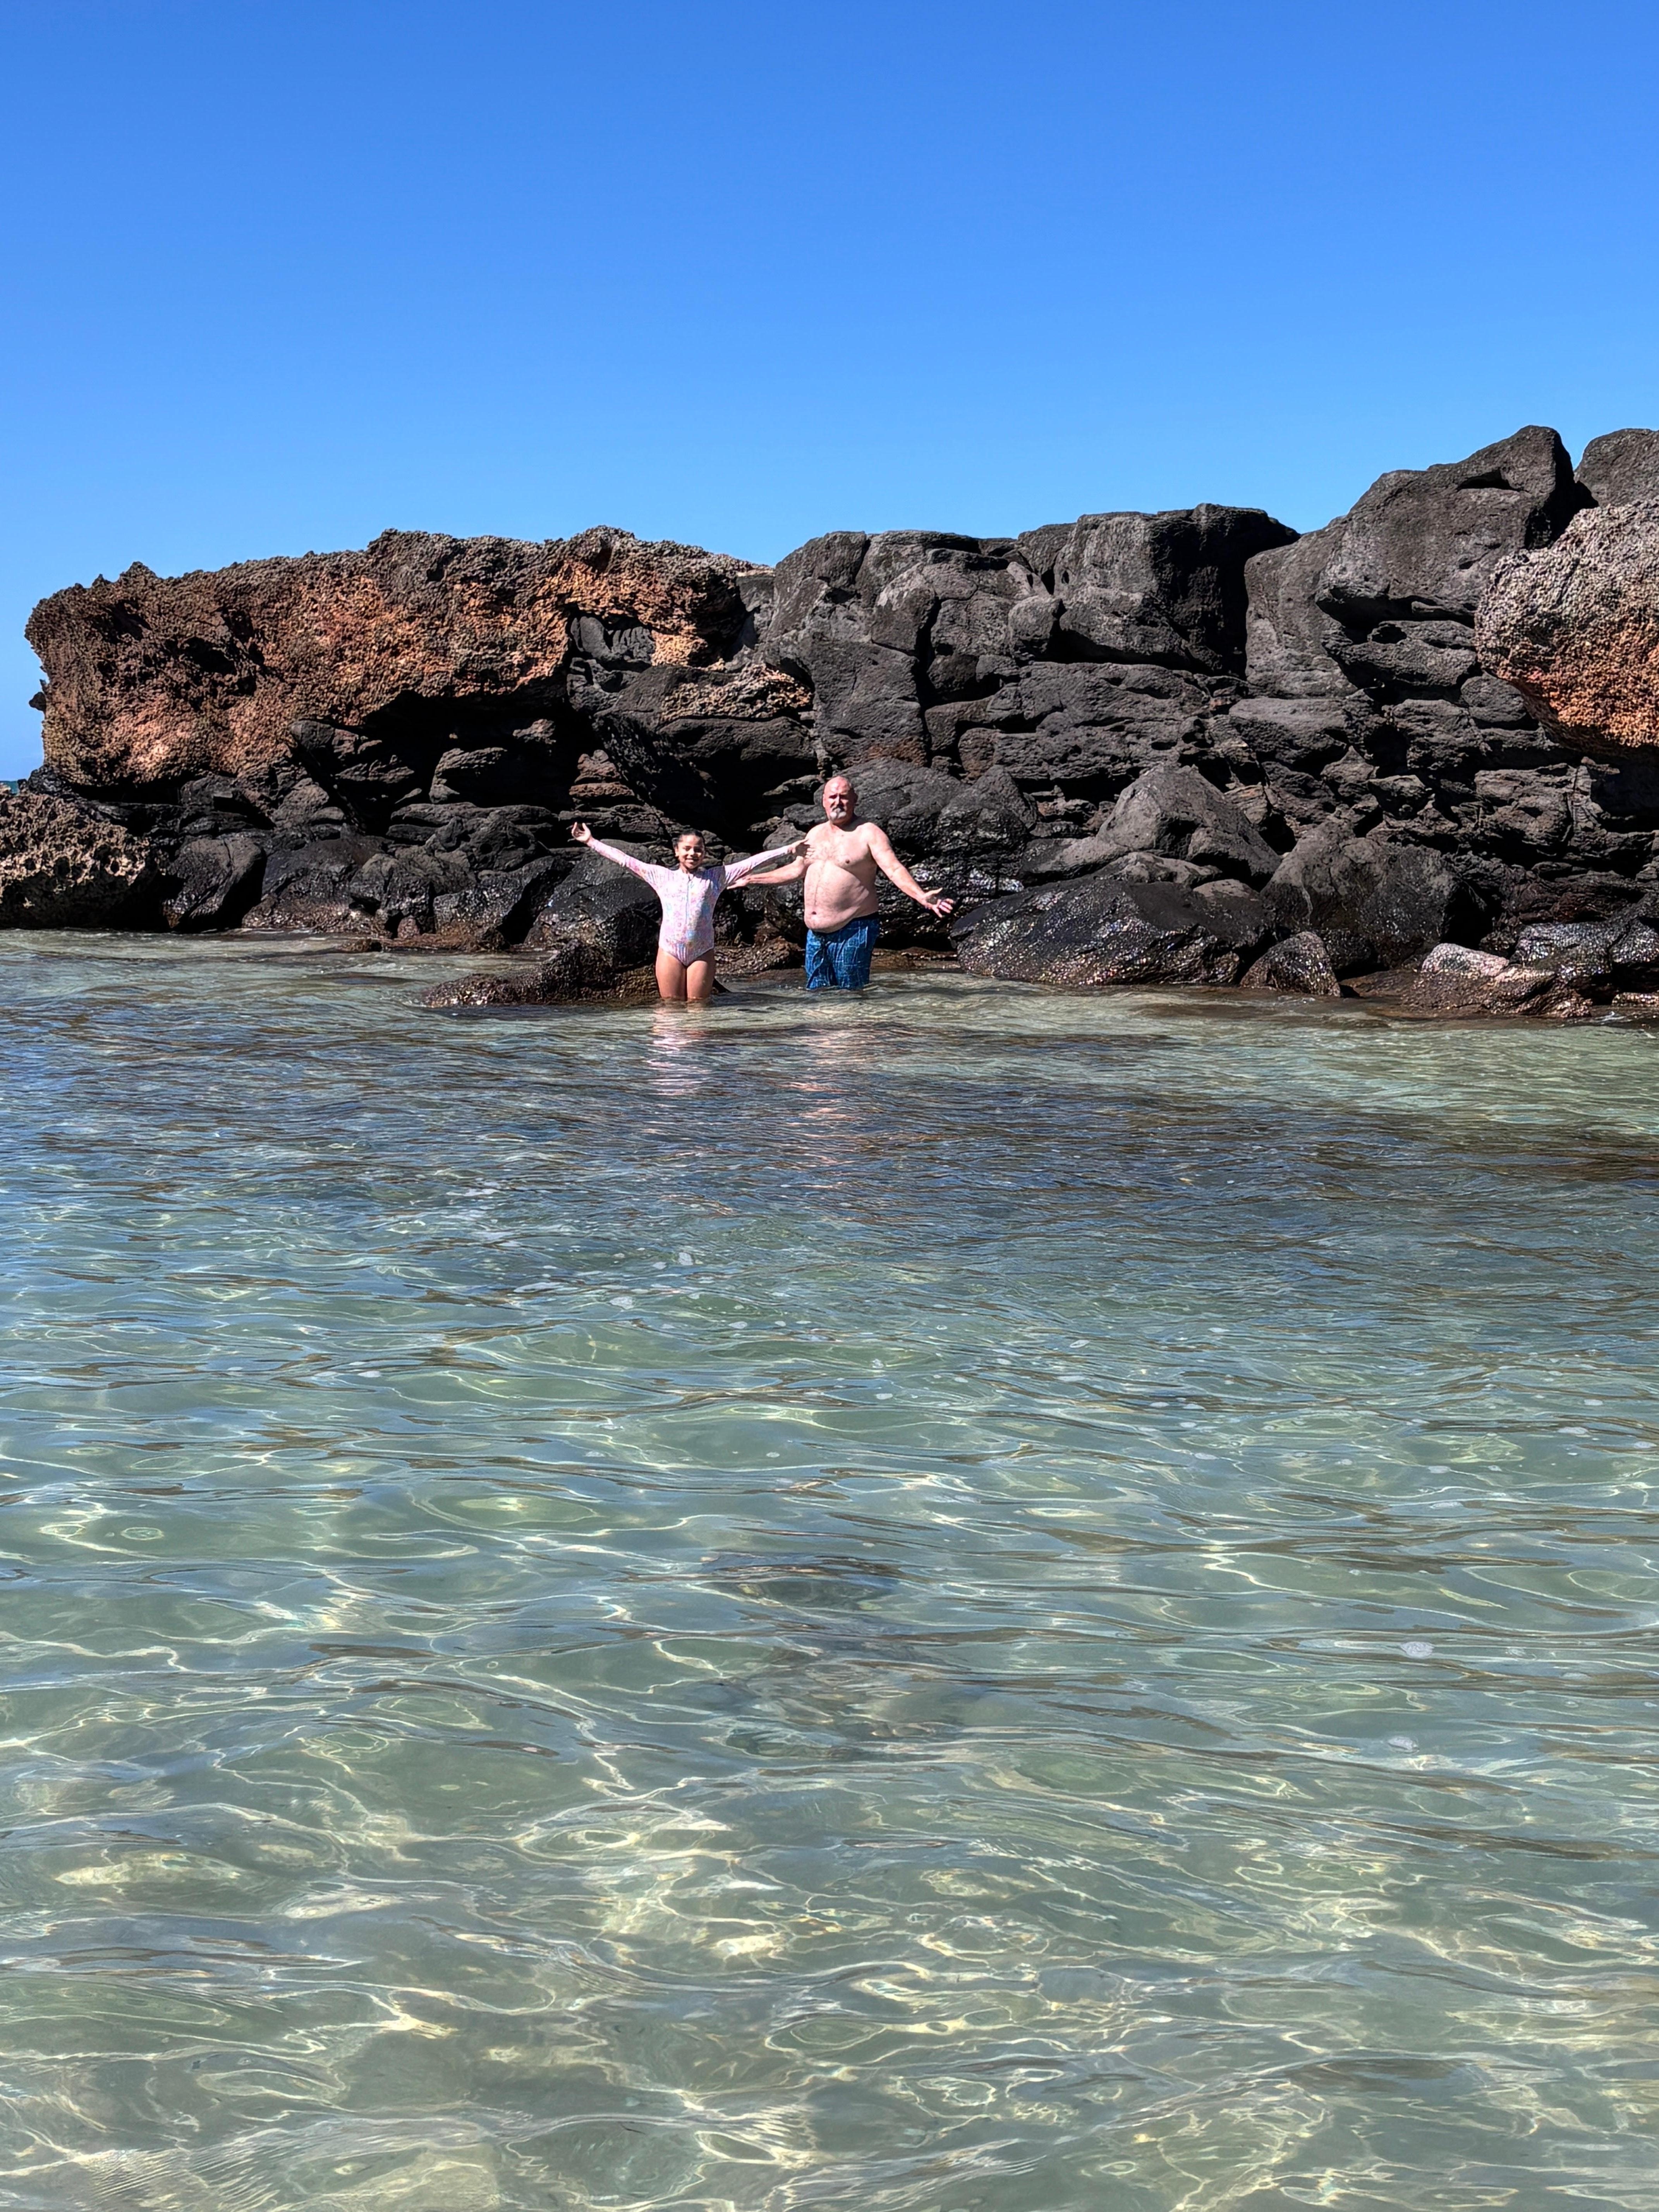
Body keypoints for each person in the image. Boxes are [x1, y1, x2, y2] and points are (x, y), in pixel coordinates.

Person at [744, 775, 954, 990]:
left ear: (855, 800)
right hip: (816, 935)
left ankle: (857, 1026)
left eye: (844, 797)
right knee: (817, 996)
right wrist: (751, 879)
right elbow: (797, 870)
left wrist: (921, 896)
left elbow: (893, 868)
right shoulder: (815, 834)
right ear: (824, 801)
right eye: (833, 797)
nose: (838, 802)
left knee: (851, 996)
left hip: (853, 928)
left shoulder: (868, 833)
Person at [569, 821, 806, 1002]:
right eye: (687, 849)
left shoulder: (716, 877)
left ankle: (698, 1062)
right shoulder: (661, 876)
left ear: (704, 853)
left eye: (698, 850)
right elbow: (626, 861)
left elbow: (753, 863)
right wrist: (591, 841)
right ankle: (671, 1062)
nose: (693, 854)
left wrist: (787, 850)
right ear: (677, 851)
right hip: (670, 950)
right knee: (671, 1007)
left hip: (702, 952)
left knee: (698, 1009)